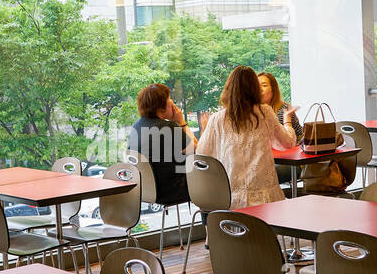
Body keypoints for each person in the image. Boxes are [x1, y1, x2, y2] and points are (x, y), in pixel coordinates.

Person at [195, 66, 297, 208]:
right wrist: (287, 120)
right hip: (265, 198)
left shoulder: (217, 119)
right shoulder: (264, 112)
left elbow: (202, 154)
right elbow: (288, 142)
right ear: (254, 88)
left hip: (230, 198)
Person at [128, 83, 195, 205]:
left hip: (146, 190)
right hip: (171, 191)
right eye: (170, 99)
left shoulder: (136, 127)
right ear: (161, 105)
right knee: (210, 181)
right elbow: (196, 148)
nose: (173, 104)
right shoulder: (168, 127)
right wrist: (181, 121)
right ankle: (215, 222)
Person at [259, 72, 302, 143]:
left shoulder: (283, 110)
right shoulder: (257, 110)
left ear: (273, 89)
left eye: (264, 85)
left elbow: (285, 141)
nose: (260, 89)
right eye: (257, 86)